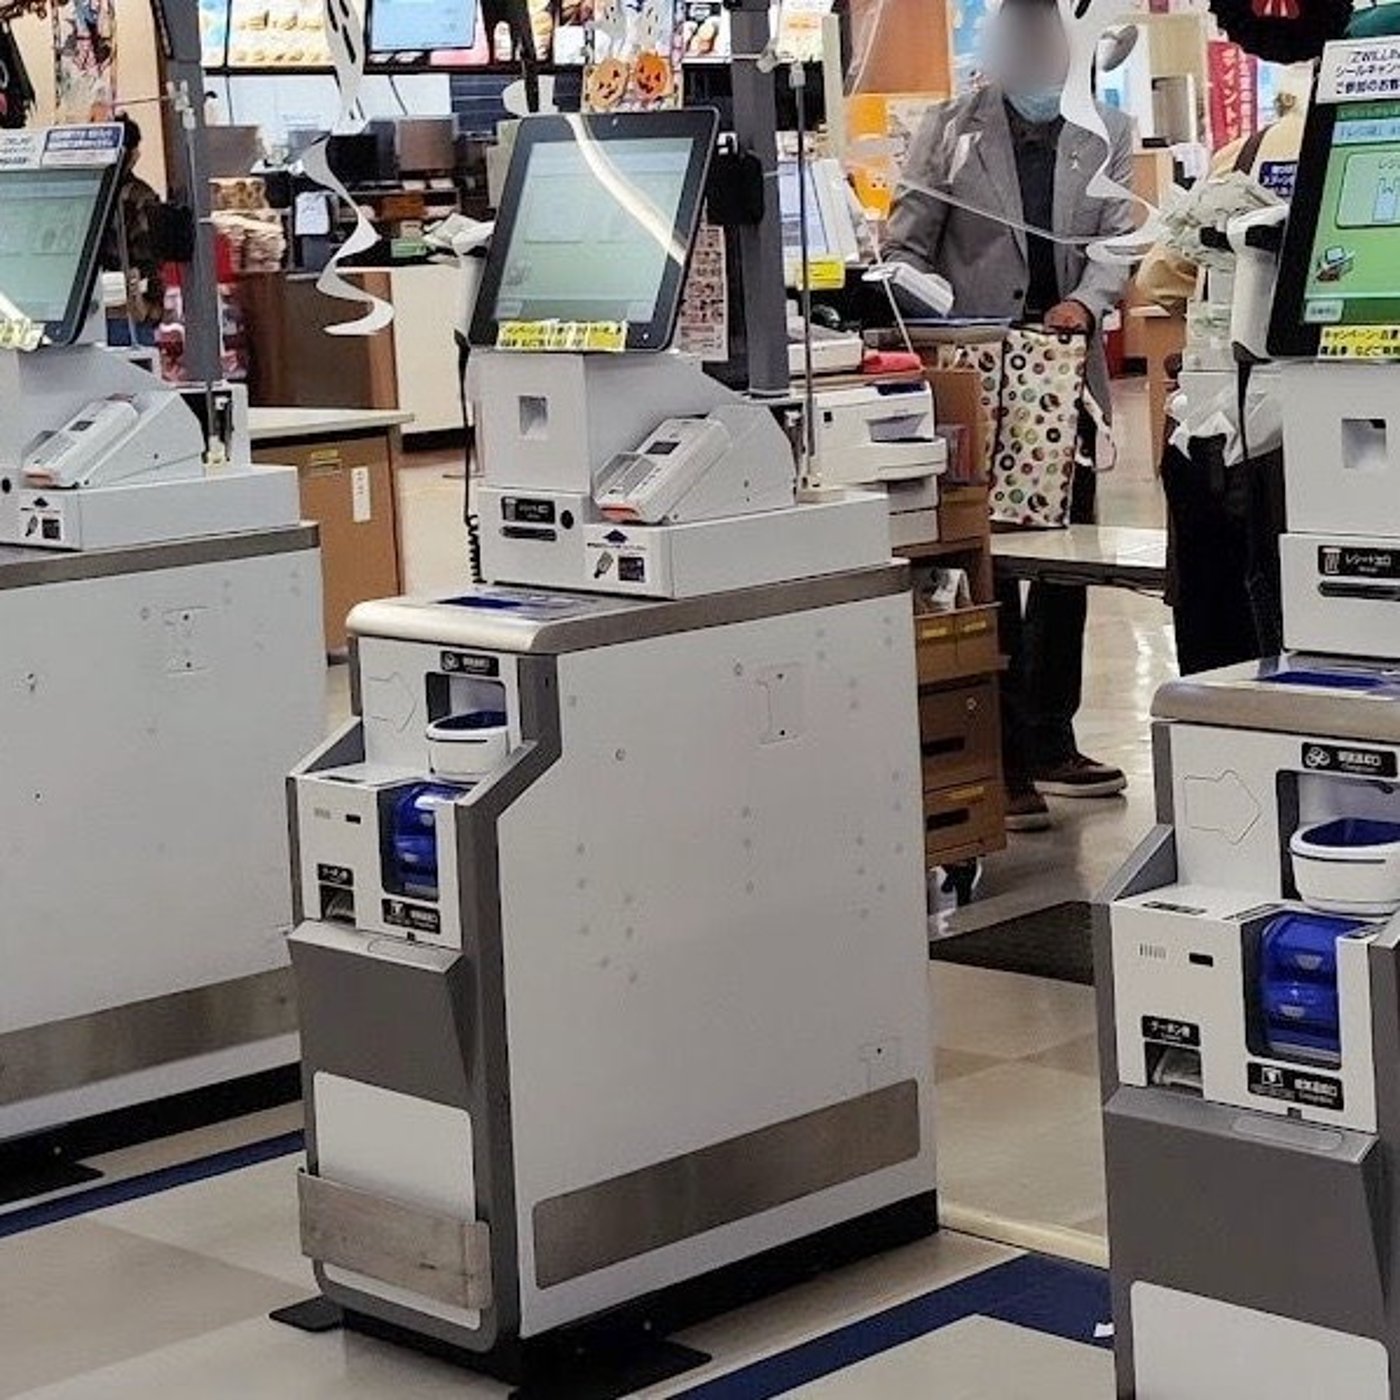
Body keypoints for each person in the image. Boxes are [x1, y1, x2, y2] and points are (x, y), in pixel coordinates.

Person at [884, 0, 1136, 831]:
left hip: (1065, 378)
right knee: (992, 563)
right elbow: (904, 248)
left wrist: (1084, 305)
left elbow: (1116, 244)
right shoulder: (950, 128)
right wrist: (946, 324)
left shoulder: (1106, 129)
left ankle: (1053, 734)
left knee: (1068, 566)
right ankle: (1006, 753)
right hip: (976, 379)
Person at [102, 112, 164, 347]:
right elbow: (149, 256)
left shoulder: (88, 192)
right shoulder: (140, 197)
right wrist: (150, 308)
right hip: (129, 314)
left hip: (88, 314)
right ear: (134, 153)